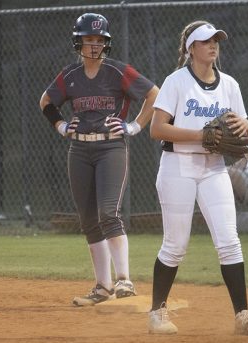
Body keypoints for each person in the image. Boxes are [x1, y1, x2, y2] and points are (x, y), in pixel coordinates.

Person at [148, 21, 248, 335]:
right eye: (205, 41)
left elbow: (243, 125)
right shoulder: (176, 82)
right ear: (191, 49)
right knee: (175, 245)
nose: (213, 45)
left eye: (216, 40)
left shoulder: (230, 84)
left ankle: (243, 316)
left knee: (230, 242)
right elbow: (157, 129)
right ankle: (157, 314)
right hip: (178, 166)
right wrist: (200, 135)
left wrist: (246, 126)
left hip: (214, 168)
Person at [39, 13, 159, 306]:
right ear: (78, 42)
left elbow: (155, 94)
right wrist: (61, 126)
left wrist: (134, 126)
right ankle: (102, 287)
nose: (93, 45)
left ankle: (124, 279)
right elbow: (45, 101)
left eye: (99, 40)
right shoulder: (70, 75)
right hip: (79, 150)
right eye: (88, 39)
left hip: (111, 148)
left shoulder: (118, 72)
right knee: (89, 220)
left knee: (108, 213)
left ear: (106, 43)